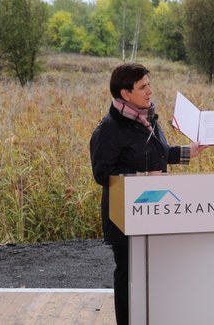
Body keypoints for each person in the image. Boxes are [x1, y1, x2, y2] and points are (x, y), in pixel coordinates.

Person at [89, 63, 206, 325]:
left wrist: (189, 152)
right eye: (143, 87)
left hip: (154, 213)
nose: (150, 91)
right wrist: (144, 179)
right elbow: (102, 174)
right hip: (125, 218)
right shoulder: (108, 130)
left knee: (154, 275)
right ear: (125, 93)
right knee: (129, 275)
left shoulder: (148, 119)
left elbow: (159, 154)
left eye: (149, 84)